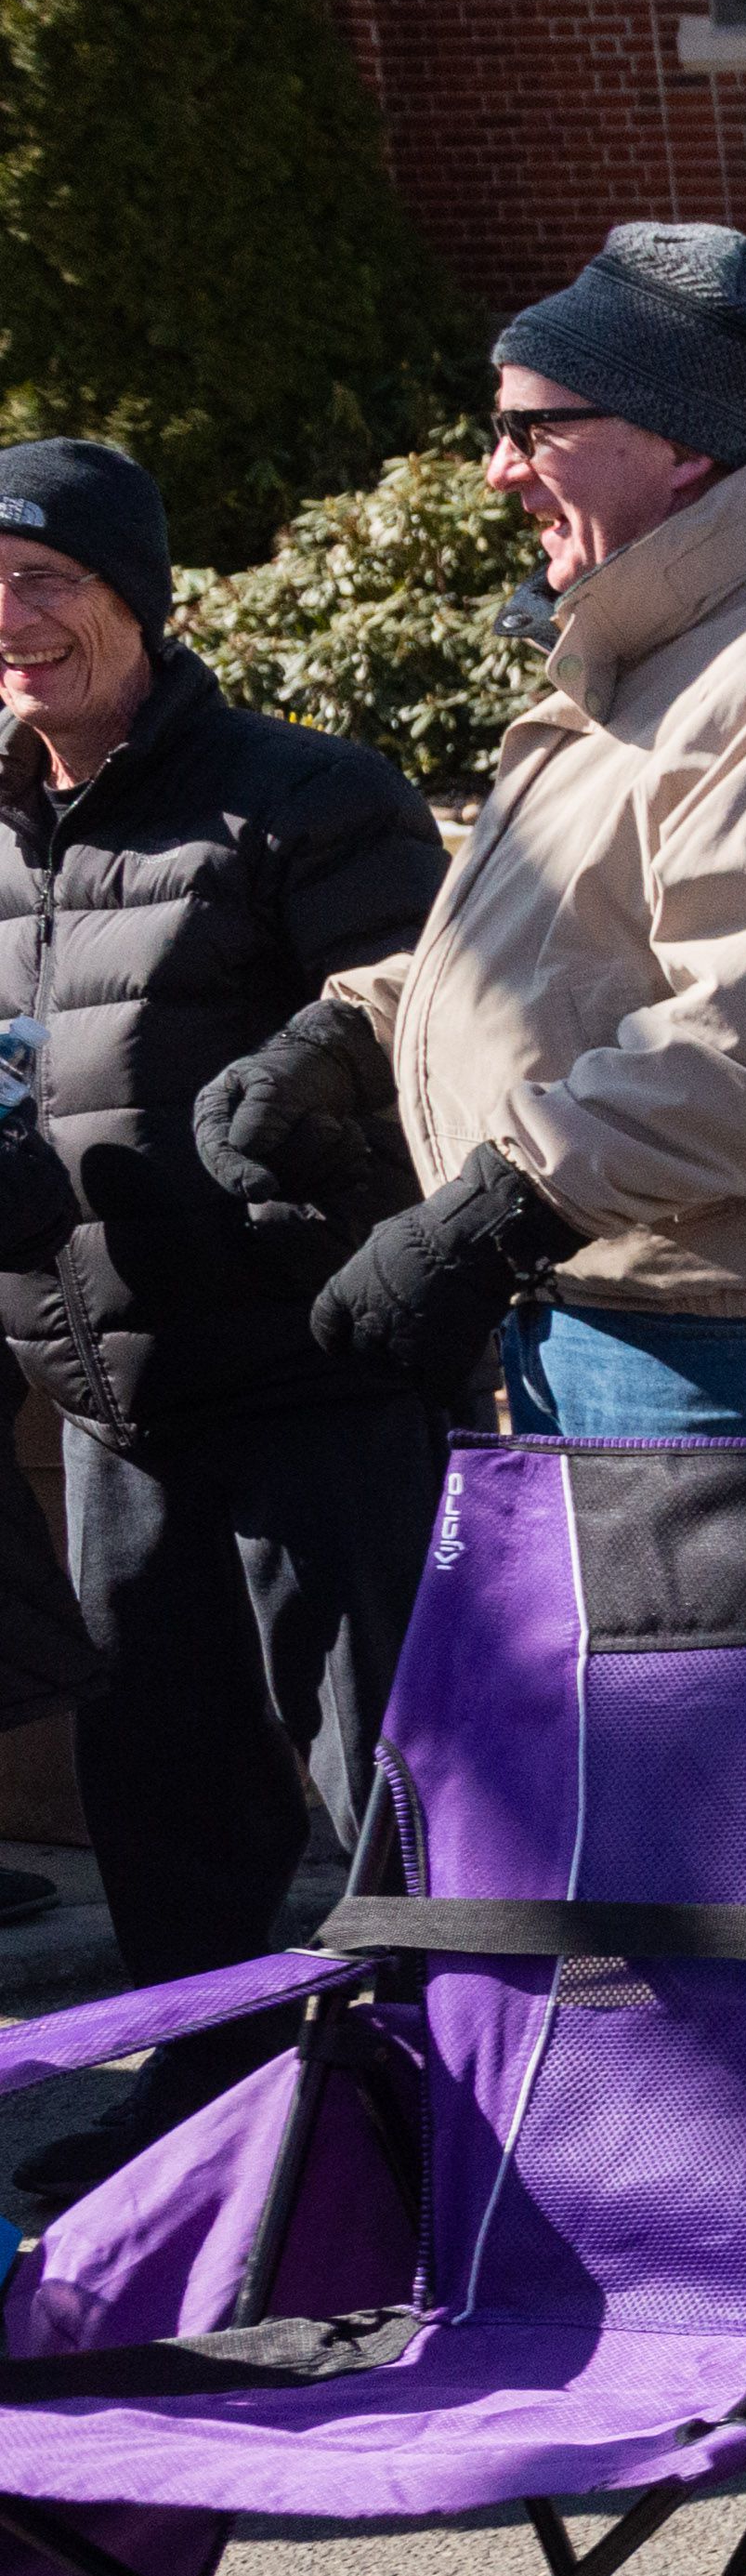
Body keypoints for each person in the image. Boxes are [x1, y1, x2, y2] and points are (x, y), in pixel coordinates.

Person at [197, 229, 746, 1440]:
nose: (496, 472)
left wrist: (484, 1225)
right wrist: (355, 1029)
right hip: (644, 1324)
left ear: (682, 442)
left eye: (531, 428)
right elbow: (585, 941)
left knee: (740, 1649)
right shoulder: (673, 639)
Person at [0, 440, 441, 2182]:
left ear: (137, 597)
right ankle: (204, 2124)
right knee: (166, 1808)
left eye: (46, 579)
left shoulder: (304, 797)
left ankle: (420, 2128)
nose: (14, 623)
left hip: (311, 1373)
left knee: (379, 1793)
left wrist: (304, 1101)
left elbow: (430, 1029)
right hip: (114, 1390)